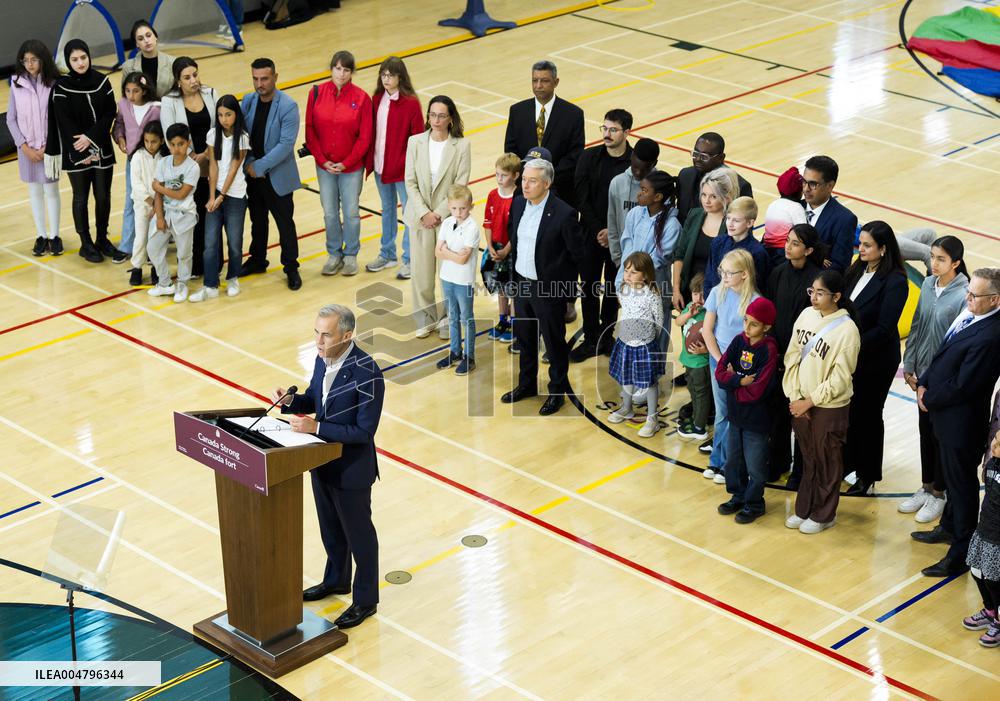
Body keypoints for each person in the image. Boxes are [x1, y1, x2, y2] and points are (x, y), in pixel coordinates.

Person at [275, 304, 385, 630]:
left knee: (359, 536)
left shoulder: (367, 373)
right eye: (316, 333)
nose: (319, 341)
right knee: (331, 530)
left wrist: (316, 429)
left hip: (351, 470)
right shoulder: (322, 360)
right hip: (320, 461)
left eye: (326, 334)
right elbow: (314, 397)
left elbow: (364, 432)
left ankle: (366, 600)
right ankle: (336, 580)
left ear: (347, 335)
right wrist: (292, 402)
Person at [914, 268, 1000, 577]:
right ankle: (949, 527)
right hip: (944, 416)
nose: (967, 297)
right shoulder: (972, 313)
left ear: (995, 300)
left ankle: (961, 552)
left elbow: (965, 385)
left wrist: (929, 397)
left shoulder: (991, 335)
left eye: (975, 295)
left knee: (962, 489)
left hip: (960, 424)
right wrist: (923, 383)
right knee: (951, 482)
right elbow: (943, 353)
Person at [501, 158, 583, 416]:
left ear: (547, 183)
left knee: (554, 342)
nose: (525, 185)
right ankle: (526, 384)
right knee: (525, 339)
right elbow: (515, 242)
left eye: (532, 180)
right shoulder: (517, 204)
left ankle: (557, 392)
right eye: (524, 179)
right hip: (523, 284)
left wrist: (568, 296)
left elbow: (576, 256)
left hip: (549, 289)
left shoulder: (564, 213)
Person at [783, 270, 861, 534]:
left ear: (836, 296)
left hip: (828, 407)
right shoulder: (806, 315)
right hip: (800, 402)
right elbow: (792, 356)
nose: (814, 297)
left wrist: (810, 401)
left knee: (828, 460)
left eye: (820, 293)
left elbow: (840, 378)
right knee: (809, 459)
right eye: (811, 291)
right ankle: (804, 508)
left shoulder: (847, 330)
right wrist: (795, 396)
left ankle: (824, 514)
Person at [900, 236, 969, 522]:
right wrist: (909, 364)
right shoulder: (928, 284)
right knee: (925, 434)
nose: (934, 263)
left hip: (943, 381)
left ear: (955, 262)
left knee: (941, 437)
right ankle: (926, 486)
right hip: (922, 379)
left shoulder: (964, 294)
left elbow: (958, 343)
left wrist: (938, 379)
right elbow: (917, 324)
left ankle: (939, 493)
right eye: (932, 257)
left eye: (941, 259)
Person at [842, 221, 908, 496]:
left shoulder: (895, 281)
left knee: (868, 415)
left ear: (883, 249)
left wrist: (850, 346)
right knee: (849, 411)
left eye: (868, 245)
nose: (862, 249)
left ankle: (867, 475)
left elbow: (884, 328)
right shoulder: (858, 268)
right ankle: (848, 464)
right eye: (861, 244)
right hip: (850, 354)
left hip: (875, 359)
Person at [45, 39, 120, 264]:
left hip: (101, 148)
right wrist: (81, 142)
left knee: (103, 195)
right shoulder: (61, 86)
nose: (80, 63)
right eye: (74, 59)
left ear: (89, 57)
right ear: (68, 61)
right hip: (75, 150)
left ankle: (101, 240)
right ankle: (85, 243)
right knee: (81, 197)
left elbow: (110, 112)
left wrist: (91, 137)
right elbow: (62, 119)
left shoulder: (102, 81)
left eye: (83, 58)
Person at [403, 95, 471, 339]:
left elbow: (460, 183)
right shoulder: (415, 142)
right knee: (421, 272)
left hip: (448, 220)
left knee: (448, 273)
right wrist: (424, 213)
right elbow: (409, 181)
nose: (436, 120)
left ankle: (448, 319)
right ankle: (425, 318)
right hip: (420, 218)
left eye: (442, 116)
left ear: (451, 118)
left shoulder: (461, 146)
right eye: (432, 115)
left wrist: (439, 213)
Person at [765, 223, 825, 486]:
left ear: (809, 250)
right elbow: (770, 311)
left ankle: (801, 471)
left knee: (801, 417)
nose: (788, 247)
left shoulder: (816, 281)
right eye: (787, 241)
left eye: (795, 243)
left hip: (805, 358)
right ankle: (778, 462)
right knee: (777, 413)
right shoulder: (778, 272)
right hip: (778, 355)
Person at [572, 108, 634, 361]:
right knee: (588, 286)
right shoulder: (589, 157)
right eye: (604, 128)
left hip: (620, 236)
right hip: (590, 233)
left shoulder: (634, 161)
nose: (607, 134)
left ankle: (607, 337)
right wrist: (601, 229)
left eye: (613, 130)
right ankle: (590, 339)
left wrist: (613, 232)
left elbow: (638, 201)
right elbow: (581, 198)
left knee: (612, 287)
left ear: (627, 132)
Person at [306, 50, 372, 278]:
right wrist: (323, 160)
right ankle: (334, 254)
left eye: (346, 69)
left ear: (352, 72)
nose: (341, 74)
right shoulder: (315, 93)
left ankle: (351, 254)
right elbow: (310, 130)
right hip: (324, 166)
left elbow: (365, 137)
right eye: (337, 68)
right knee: (330, 212)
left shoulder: (362, 98)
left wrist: (346, 163)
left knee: (352, 211)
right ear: (331, 68)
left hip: (351, 168)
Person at [716, 297, 779, 524]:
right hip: (736, 416)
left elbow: (759, 389)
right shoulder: (738, 341)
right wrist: (739, 382)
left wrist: (732, 385)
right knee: (733, 461)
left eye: (753, 324)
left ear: (766, 327)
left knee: (755, 464)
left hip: (757, 420)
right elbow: (720, 372)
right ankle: (738, 495)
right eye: (745, 321)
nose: (747, 327)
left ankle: (755, 503)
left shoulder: (769, 349)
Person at [240, 57, 302, 290]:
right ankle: (257, 259)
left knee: (285, 223)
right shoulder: (248, 101)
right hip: (253, 174)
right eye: (255, 79)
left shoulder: (288, 106)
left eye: (264, 79)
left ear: (275, 77)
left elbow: (286, 145)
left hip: (276, 176)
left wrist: (259, 166)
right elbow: (242, 136)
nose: (259, 84)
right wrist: (250, 162)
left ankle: (291, 266)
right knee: (257, 220)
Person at [702, 249, 761, 478]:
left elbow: (752, 339)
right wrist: (720, 362)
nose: (723, 277)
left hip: (741, 366)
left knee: (735, 416)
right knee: (721, 413)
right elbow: (708, 330)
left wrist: (734, 367)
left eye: (729, 273)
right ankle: (716, 461)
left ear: (744, 274)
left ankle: (730, 465)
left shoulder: (755, 301)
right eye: (721, 271)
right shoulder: (717, 292)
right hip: (718, 361)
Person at [364, 56, 424, 278]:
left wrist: (412, 167)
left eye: (391, 75)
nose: (386, 79)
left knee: (409, 214)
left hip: (402, 170)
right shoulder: (376, 99)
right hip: (381, 166)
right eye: (384, 74)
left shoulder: (410, 103)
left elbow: (418, 139)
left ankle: (410, 258)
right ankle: (387, 254)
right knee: (387, 210)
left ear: (400, 77)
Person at [160, 56, 217, 277]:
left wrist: (206, 155)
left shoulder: (211, 93)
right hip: (186, 167)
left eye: (195, 74)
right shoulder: (169, 102)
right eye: (187, 77)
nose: (193, 80)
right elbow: (170, 134)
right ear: (177, 81)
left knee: (210, 214)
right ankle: (192, 266)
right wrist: (194, 156)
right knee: (190, 218)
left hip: (212, 163)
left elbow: (219, 128)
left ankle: (212, 263)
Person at [189, 95, 249, 302]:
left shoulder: (242, 138)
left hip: (235, 196)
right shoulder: (212, 134)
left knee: (234, 242)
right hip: (215, 196)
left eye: (228, 114)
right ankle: (210, 285)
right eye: (220, 115)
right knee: (210, 243)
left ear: (236, 115)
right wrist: (212, 195)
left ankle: (233, 278)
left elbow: (234, 168)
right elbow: (213, 165)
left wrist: (221, 196)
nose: (224, 119)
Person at [503, 60, 584, 206]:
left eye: (544, 81)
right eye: (535, 80)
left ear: (556, 82)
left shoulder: (573, 114)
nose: (538, 86)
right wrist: (530, 178)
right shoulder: (517, 111)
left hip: (560, 192)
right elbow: (511, 150)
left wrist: (546, 178)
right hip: (524, 191)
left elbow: (575, 154)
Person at [614, 171, 679, 350]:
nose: (639, 194)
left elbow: (657, 262)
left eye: (644, 190)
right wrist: (622, 282)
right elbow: (627, 248)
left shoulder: (672, 226)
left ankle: (654, 374)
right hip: (630, 286)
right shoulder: (634, 214)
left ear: (657, 196)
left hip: (655, 289)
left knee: (656, 334)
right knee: (631, 332)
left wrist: (636, 281)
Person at [8, 40, 61, 257]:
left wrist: (48, 146)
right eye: (26, 60)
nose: (29, 64)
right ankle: (41, 235)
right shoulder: (16, 83)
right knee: (35, 191)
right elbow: (11, 119)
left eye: (34, 60)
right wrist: (24, 146)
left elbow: (59, 118)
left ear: (42, 60)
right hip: (26, 150)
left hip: (50, 148)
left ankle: (54, 237)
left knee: (51, 191)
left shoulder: (54, 83)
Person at [607, 252, 664, 438]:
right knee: (627, 377)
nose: (628, 275)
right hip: (625, 342)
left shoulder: (652, 296)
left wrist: (648, 340)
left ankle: (652, 419)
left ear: (645, 275)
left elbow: (659, 322)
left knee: (650, 383)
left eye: (633, 272)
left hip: (645, 346)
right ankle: (627, 408)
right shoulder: (623, 290)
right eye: (626, 271)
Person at [146, 123, 200, 303]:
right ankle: (165, 283)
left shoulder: (193, 167)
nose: (177, 149)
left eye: (181, 144)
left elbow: (182, 193)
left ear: (188, 143)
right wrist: (159, 217)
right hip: (166, 212)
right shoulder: (163, 163)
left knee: (184, 253)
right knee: (152, 248)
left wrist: (159, 187)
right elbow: (157, 194)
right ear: (168, 144)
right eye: (173, 144)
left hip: (184, 215)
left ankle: (183, 284)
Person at [113, 72, 160, 271]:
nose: (131, 95)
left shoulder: (157, 108)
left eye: (136, 91)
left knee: (154, 201)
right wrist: (120, 138)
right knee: (131, 202)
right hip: (134, 160)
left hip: (155, 161)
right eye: (127, 91)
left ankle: (151, 246)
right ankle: (127, 245)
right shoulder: (123, 105)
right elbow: (119, 125)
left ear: (144, 90)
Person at [671, 166, 737, 311]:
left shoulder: (733, 225)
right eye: (704, 195)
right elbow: (680, 255)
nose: (706, 201)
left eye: (713, 196)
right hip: (690, 292)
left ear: (727, 197)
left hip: (719, 296)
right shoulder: (694, 215)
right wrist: (676, 290)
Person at [433, 185, 481, 374]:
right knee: (452, 316)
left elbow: (463, 259)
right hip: (447, 277)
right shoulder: (446, 223)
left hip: (464, 280)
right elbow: (437, 252)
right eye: (454, 208)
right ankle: (455, 351)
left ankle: (470, 357)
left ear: (470, 206)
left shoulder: (473, 228)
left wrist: (447, 252)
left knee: (466, 318)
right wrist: (450, 253)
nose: (458, 212)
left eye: (462, 208)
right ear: (449, 207)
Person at [962, 432, 1000, 648]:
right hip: (984, 528)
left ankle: (998, 622)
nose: (992, 445)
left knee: (994, 581)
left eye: (997, 444)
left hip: (998, 538)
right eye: (994, 440)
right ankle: (990, 610)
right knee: (977, 571)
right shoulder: (993, 464)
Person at [675, 132, 752, 224]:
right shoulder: (685, 175)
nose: (698, 159)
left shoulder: (739, 186)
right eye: (695, 153)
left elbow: (743, 225)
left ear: (721, 157)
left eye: (704, 156)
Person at [483, 153, 521, 343]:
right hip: (496, 248)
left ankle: (514, 322)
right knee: (501, 288)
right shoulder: (492, 195)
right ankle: (502, 319)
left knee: (512, 287)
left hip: (511, 250)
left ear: (515, 175)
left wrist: (506, 249)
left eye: (504, 175)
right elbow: (488, 223)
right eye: (497, 174)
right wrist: (490, 246)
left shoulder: (519, 197)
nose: (499, 179)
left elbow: (517, 230)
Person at [606, 138, 658, 269]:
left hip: (651, 267)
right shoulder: (617, 183)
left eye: (644, 169)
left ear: (654, 164)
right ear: (631, 156)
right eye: (635, 167)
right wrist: (618, 259)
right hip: (622, 262)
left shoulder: (660, 188)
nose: (638, 173)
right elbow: (612, 224)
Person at [127, 120, 167, 287]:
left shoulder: (165, 159)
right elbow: (136, 185)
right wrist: (153, 204)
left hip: (161, 206)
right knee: (141, 237)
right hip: (143, 205)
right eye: (146, 141)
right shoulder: (137, 157)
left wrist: (159, 206)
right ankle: (136, 267)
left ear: (162, 141)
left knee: (158, 239)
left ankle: (156, 268)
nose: (150, 145)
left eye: (154, 141)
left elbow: (166, 183)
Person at [801, 155, 857, 271]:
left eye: (813, 184)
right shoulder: (794, 207)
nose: (806, 189)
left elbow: (840, 266)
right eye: (804, 182)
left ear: (830, 186)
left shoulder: (844, 220)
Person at [705, 195, 770, 294]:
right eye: (728, 218)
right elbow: (709, 277)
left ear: (749, 223)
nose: (730, 224)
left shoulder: (757, 253)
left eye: (736, 220)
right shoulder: (717, 242)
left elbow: (758, 288)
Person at [675, 271, 710, 440]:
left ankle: (699, 426)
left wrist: (706, 350)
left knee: (701, 393)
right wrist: (689, 313)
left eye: (703, 295)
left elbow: (717, 339)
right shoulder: (690, 307)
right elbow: (678, 322)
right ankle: (696, 417)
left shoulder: (710, 314)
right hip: (688, 360)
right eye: (696, 294)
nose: (699, 299)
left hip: (701, 363)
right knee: (693, 391)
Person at [762, 167, 806, 267]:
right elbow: (803, 232)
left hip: (766, 248)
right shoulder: (796, 207)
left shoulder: (773, 204)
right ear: (800, 192)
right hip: (783, 252)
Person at [121, 20, 175, 98]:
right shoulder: (128, 67)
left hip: (168, 108)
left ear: (156, 37)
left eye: (148, 35)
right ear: (137, 44)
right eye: (140, 39)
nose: (146, 40)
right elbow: (126, 96)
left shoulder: (172, 62)